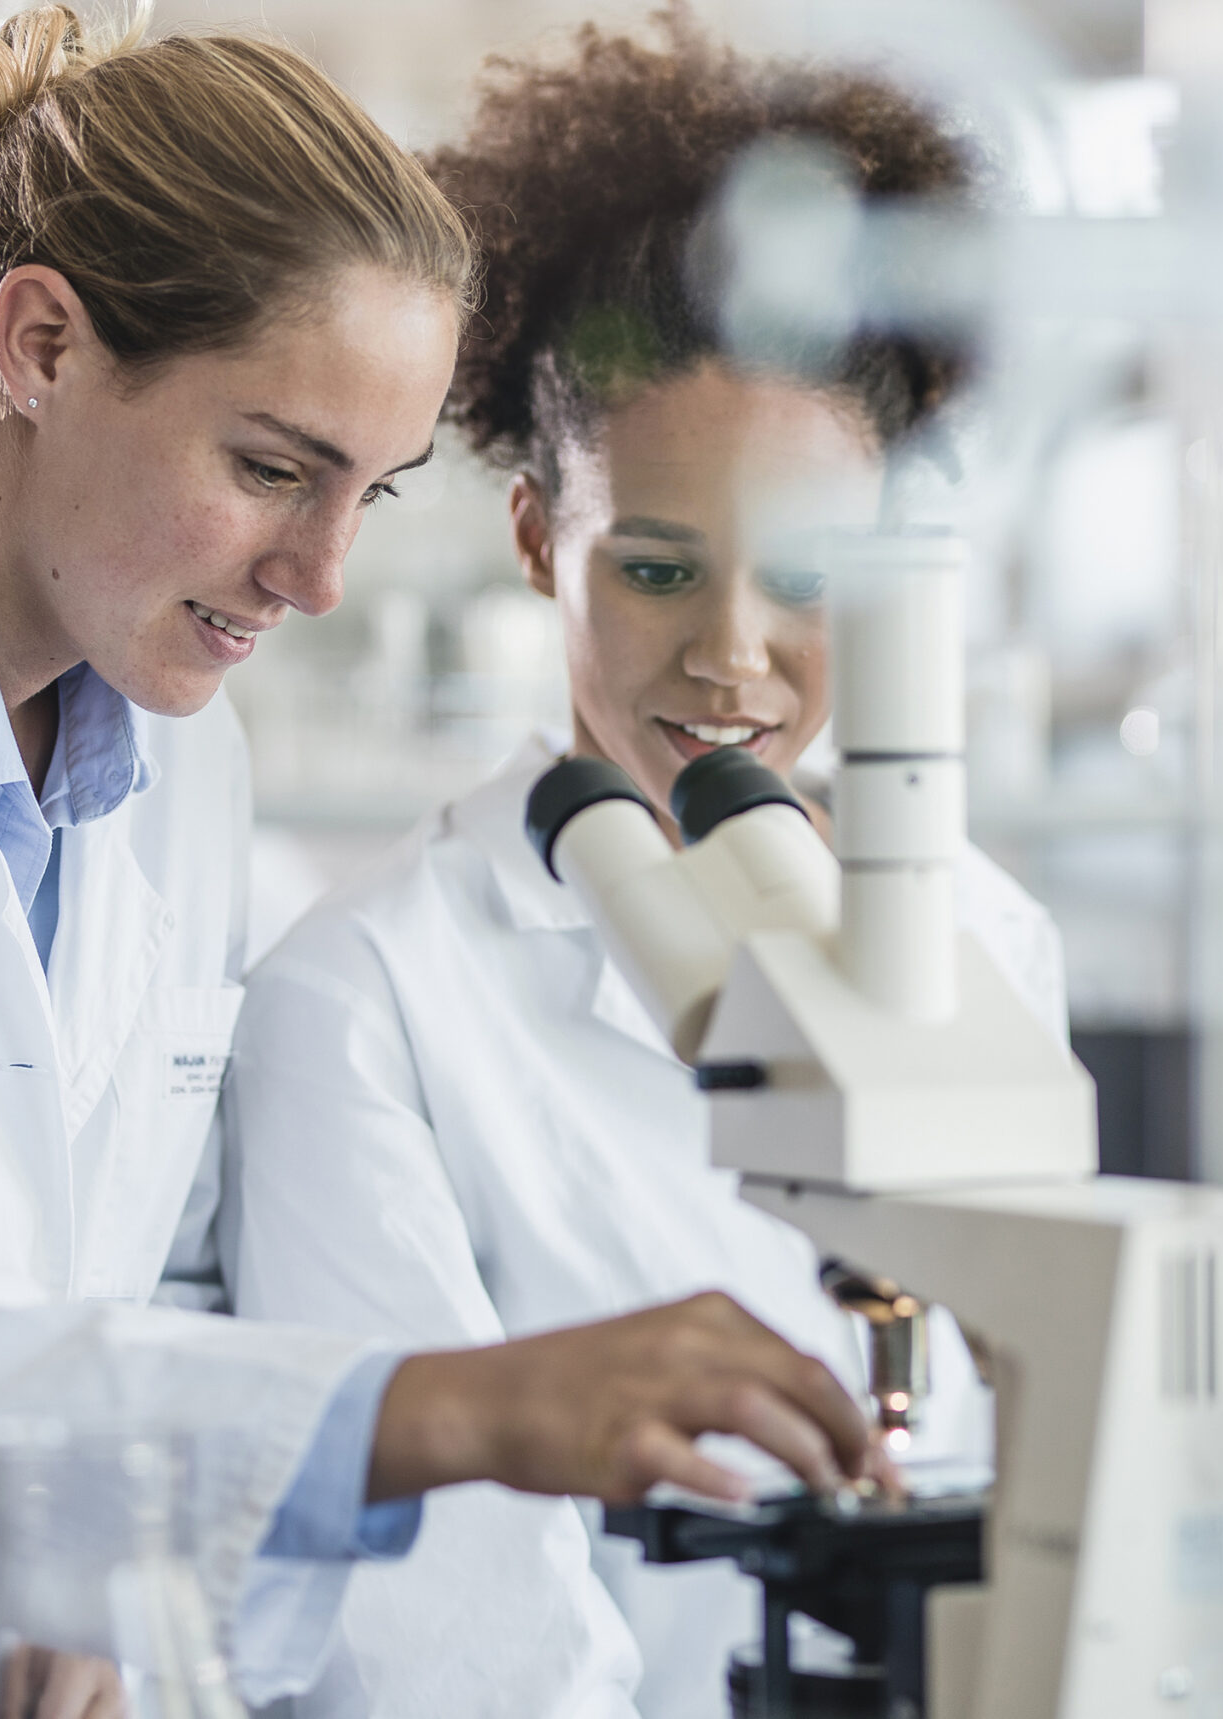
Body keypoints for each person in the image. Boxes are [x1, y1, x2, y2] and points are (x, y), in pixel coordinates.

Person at [0, 14, 880, 1718]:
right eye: (273, 468)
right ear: (42, 345)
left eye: (369, 491)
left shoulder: (173, 742)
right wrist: (462, 1404)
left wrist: (108, 1593)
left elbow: (158, 1267)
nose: (321, 573)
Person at [221, 18, 1066, 1718]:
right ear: (541, 537)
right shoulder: (367, 995)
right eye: (660, 568)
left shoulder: (983, 934)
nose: (732, 655)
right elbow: (451, 1629)